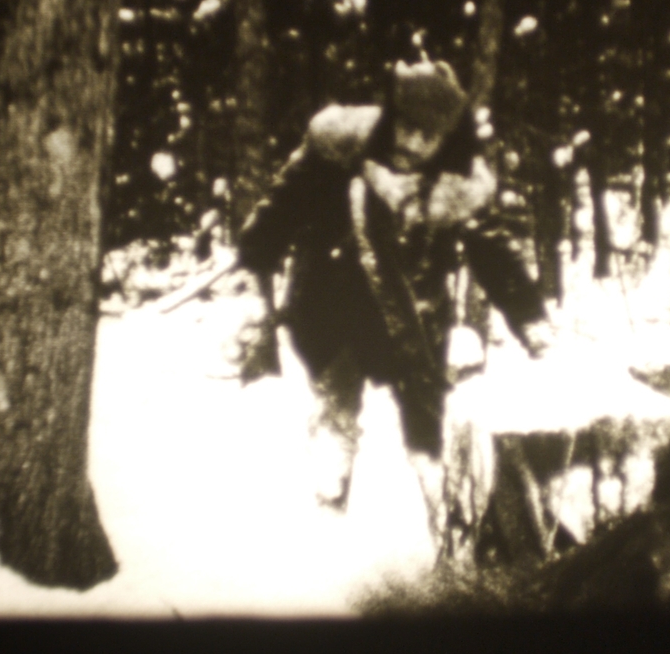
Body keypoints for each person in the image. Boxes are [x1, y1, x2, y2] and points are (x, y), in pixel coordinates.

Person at [232, 57, 554, 546]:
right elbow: (286, 199)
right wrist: (261, 242)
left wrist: (530, 318)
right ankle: (328, 513)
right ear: (392, 116)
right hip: (332, 302)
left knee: (428, 424)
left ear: (446, 137)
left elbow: (495, 252)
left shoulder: (460, 183)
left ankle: (449, 526)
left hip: (415, 315)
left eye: (429, 135)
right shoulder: (340, 149)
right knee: (337, 406)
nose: (414, 143)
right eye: (407, 127)